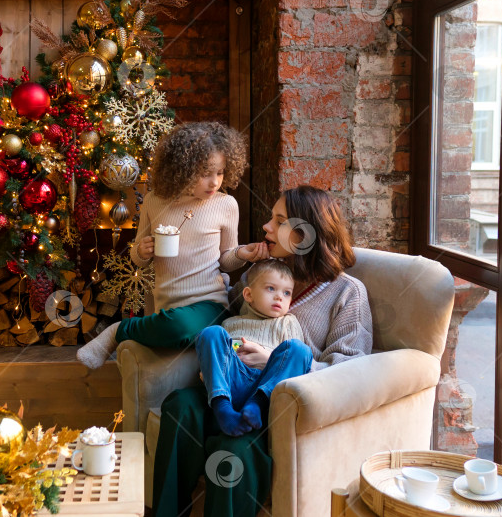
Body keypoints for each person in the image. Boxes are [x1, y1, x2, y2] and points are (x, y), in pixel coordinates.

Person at [152, 185, 373, 517]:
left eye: (279, 220)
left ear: (304, 234)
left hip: (277, 407)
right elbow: (231, 323)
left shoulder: (347, 292)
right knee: (179, 405)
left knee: (233, 450)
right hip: (228, 390)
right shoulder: (263, 273)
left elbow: (350, 372)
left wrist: (274, 361)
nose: (267, 228)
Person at [77, 122, 265, 369]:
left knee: (183, 329)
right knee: (182, 329)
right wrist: (141, 252)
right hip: (167, 304)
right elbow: (136, 255)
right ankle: (156, 329)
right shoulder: (154, 202)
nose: (214, 182)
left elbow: (226, 259)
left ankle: (119, 330)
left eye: (219, 172)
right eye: (205, 173)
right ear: (182, 169)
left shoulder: (226, 204)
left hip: (209, 302)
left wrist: (242, 253)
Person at [198, 258, 304, 437]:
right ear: (248, 295)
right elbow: (223, 353)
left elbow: (294, 362)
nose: (279, 296)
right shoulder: (231, 323)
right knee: (211, 333)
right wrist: (211, 367)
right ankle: (222, 407)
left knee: (300, 350)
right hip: (233, 381)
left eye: (287, 293)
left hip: (268, 384)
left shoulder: (288, 322)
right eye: (271, 288)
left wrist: (268, 356)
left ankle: (256, 404)